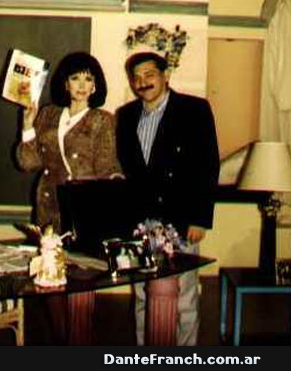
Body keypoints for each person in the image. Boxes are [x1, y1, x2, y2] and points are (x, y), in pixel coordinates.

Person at [115, 51, 220, 346]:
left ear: (166, 76)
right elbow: (125, 171)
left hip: (182, 219)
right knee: (142, 295)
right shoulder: (126, 115)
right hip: (139, 222)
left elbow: (208, 165)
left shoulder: (194, 109)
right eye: (136, 77)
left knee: (184, 296)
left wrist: (200, 218)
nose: (142, 82)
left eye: (149, 75)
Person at [16, 52, 123, 233]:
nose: (81, 85)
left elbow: (106, 169)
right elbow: (29, 164)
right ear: (65, 84)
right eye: (75, 78)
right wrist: (27, 125)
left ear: (94, 85)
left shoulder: (102, 120)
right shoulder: (48, 114)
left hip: (85, 209)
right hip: (48, 206)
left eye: (88, 79)